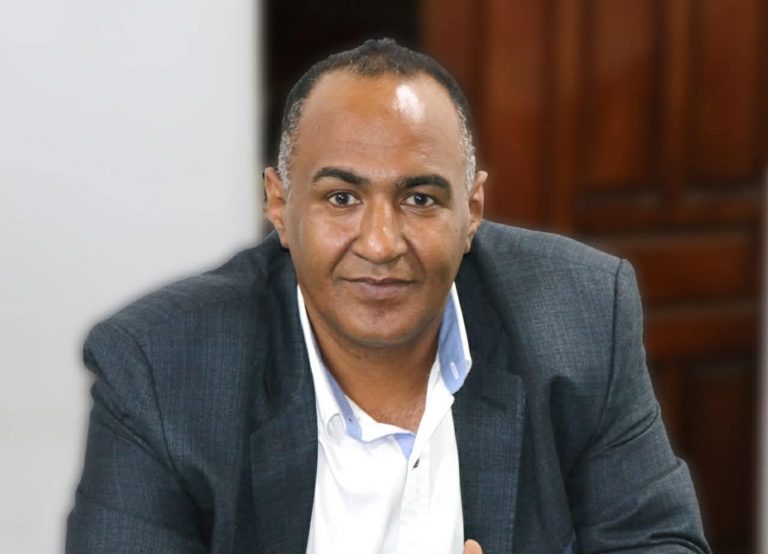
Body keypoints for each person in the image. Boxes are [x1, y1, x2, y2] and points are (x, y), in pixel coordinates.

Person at [66, 38, 709, 554]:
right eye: (342, 197)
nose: (379, 243)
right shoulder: (163, 365)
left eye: (420, 199)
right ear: (279, 205)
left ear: (473, 211)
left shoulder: (578, 315)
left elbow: (658, 541)